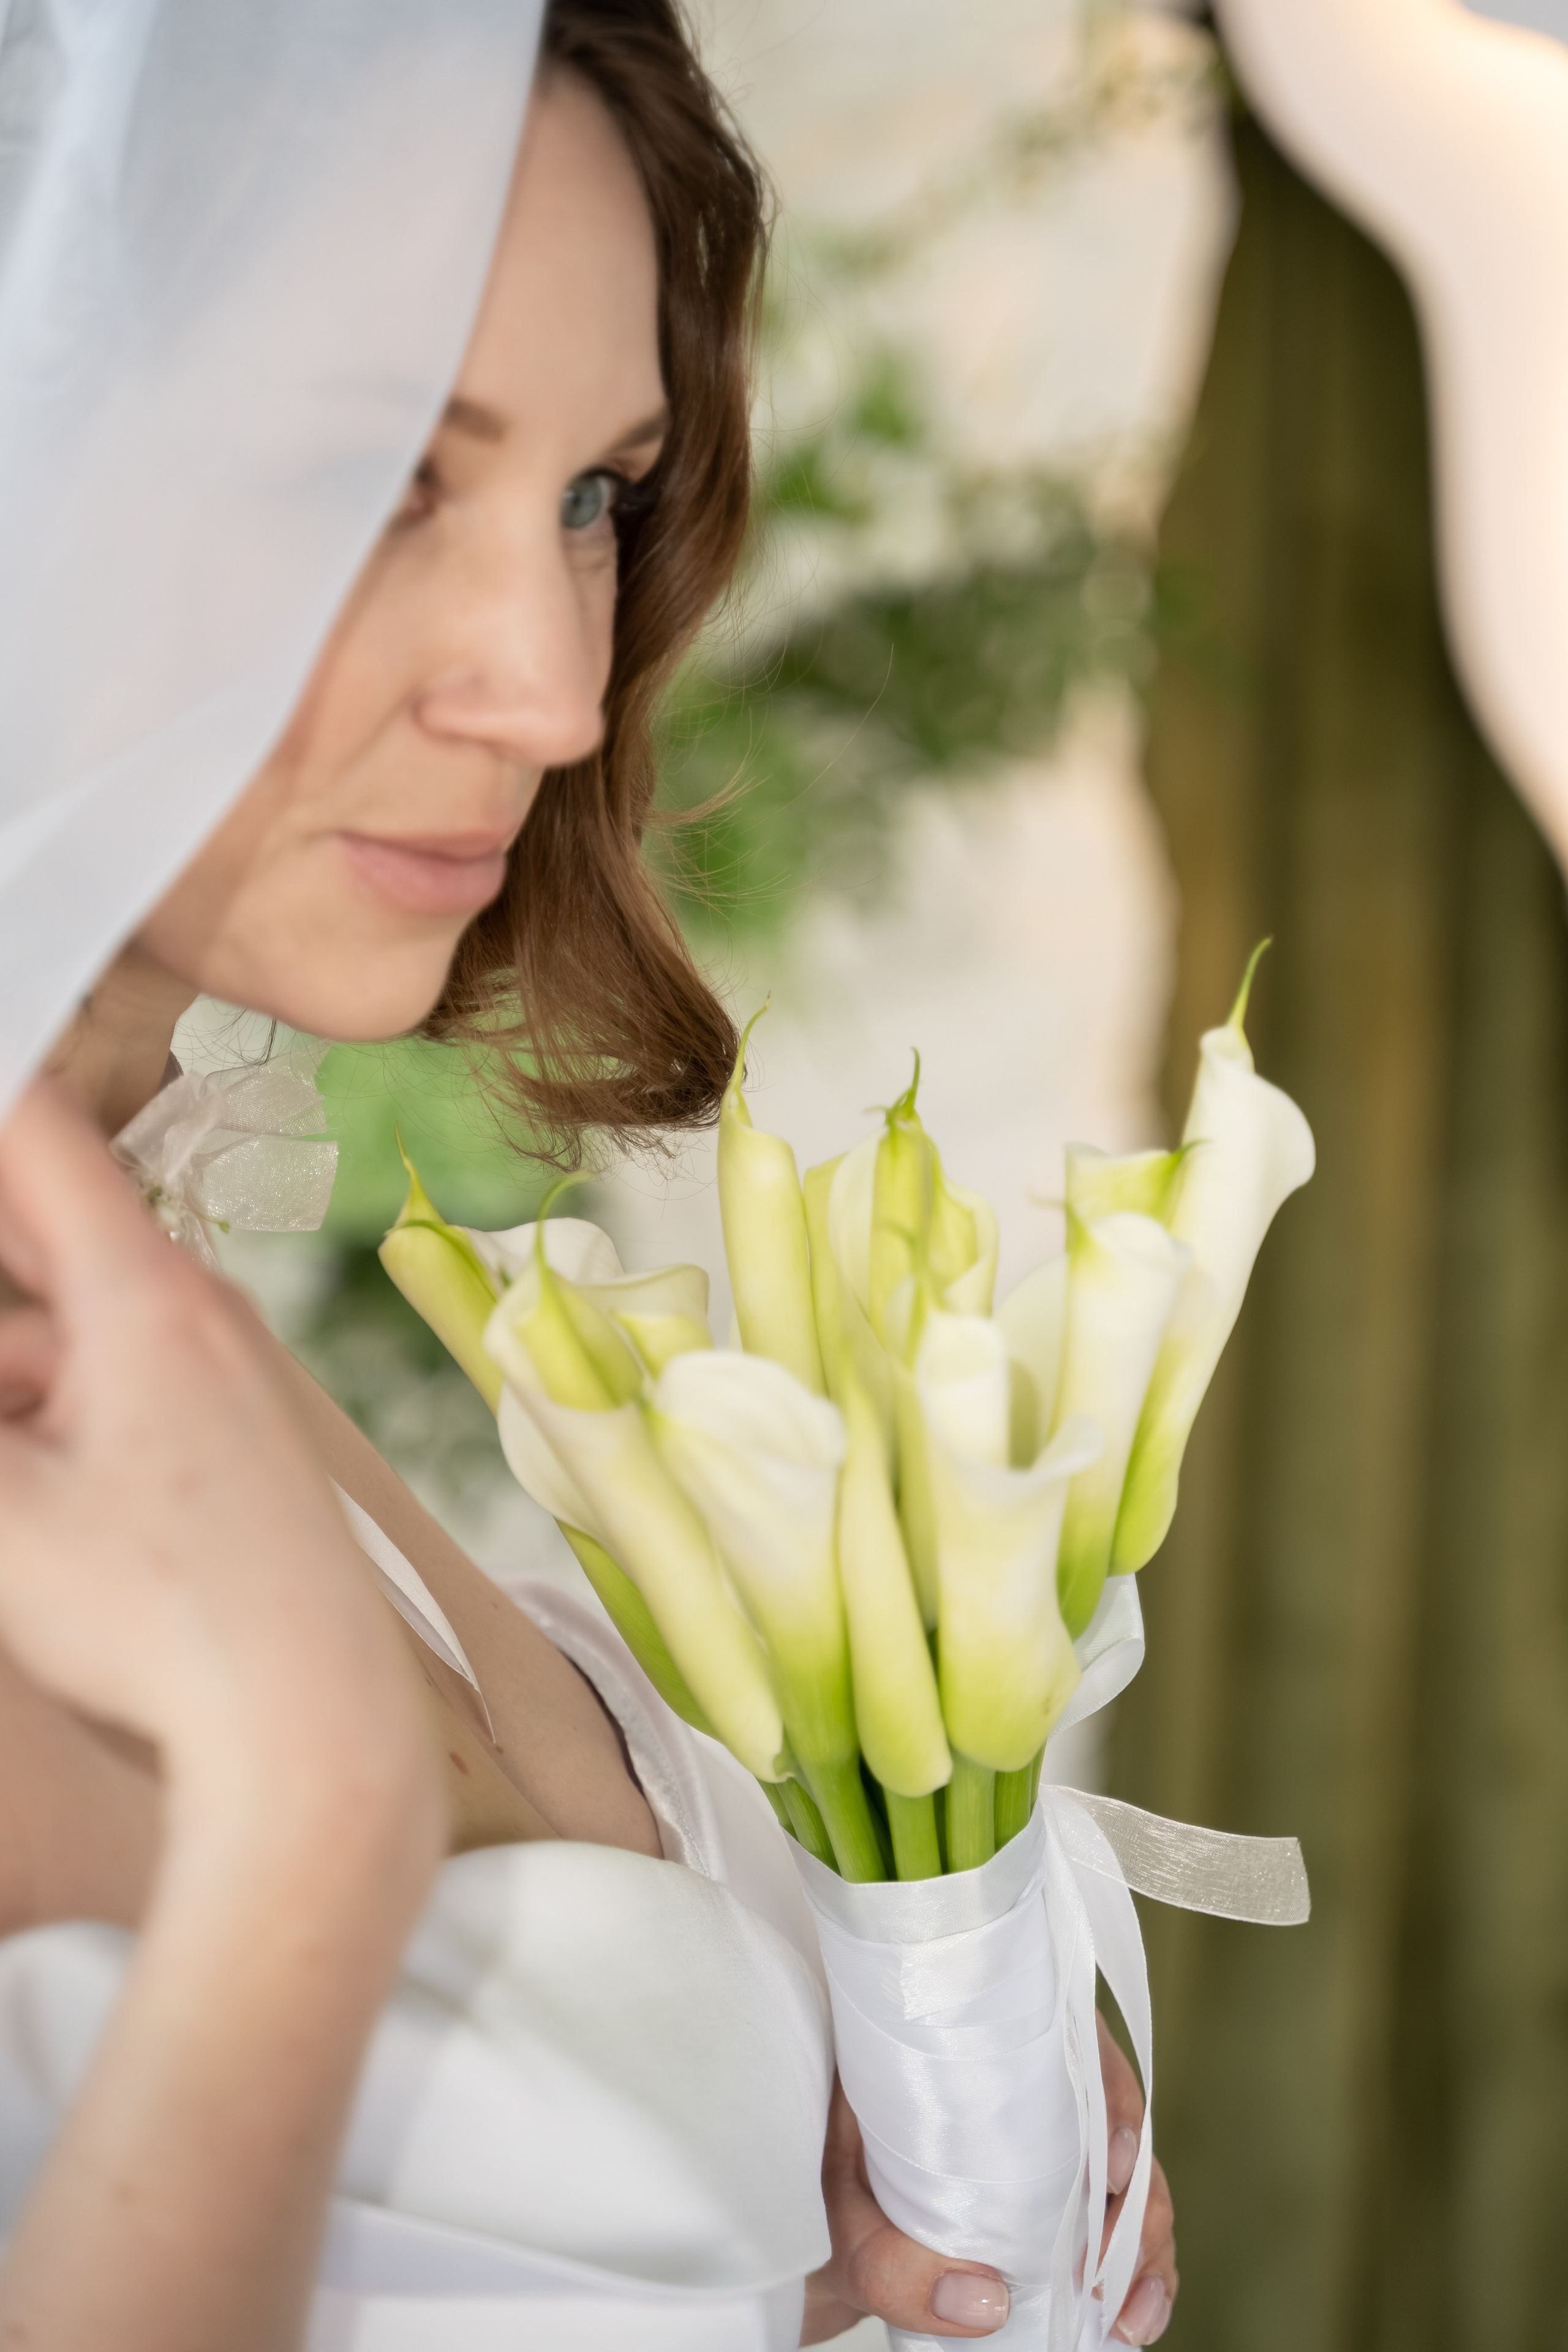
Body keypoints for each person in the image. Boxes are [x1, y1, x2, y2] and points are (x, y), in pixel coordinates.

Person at [0, 3, 1178, 2344]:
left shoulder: (137, 1313)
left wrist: (802, 2264)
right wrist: (313, 1822)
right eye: (374, 481)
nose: (551, 691)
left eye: (593, 497)